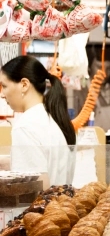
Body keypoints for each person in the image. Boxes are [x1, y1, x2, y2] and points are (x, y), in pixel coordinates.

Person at [0, 56, 75, 185]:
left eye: (4, 86)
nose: (2, 94)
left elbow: (37, 187)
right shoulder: (49, 118)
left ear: (24, 85)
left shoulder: (25, 127)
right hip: (58, 203)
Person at [75, 58, 110, 130]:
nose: (104, 73)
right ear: (89, 67)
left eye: (109, 68)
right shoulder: (80, 90)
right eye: (99, 67)